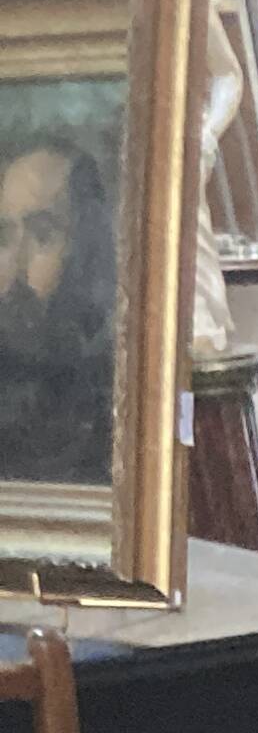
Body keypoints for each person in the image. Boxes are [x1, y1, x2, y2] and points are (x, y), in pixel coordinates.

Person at [0, 134, 117, 486]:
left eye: (42, 235)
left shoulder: (113, 395)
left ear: (86, 250)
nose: (14, 267)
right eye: (3, 238)